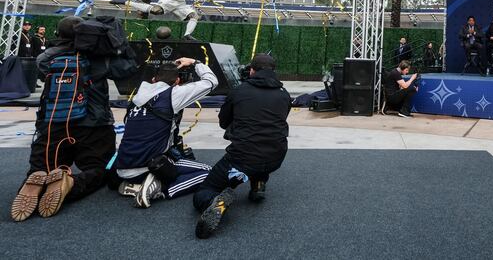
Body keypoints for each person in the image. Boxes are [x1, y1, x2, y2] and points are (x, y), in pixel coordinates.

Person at [11, 17, 118, 222]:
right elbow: (125, 69)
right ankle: (71, 184)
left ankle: (36, 180)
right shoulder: (99, 59)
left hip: (53, 122)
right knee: (100, 168)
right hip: (94, 125)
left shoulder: (46, 57)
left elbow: (43, 74)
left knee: (41, 167)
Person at [193, 53, 290, 239]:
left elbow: (224, 122)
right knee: (264, 141)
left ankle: (216, 203)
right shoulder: (284, 94)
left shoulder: (239, 91)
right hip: (276, 157)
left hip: (243, 158)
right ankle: (258, 183)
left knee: (205, 191)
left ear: (252, 70)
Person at [113, 57, 218, 208]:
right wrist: (195, 62)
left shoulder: (137, 98)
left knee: (177, 162)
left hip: (122, 166)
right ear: (177, 81)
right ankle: (160, 189)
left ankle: (137, 185)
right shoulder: (173, 95)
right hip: (148, 165)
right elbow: (211, 81)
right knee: (210, 173)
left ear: (154, 79)